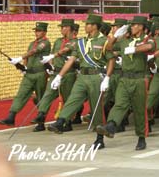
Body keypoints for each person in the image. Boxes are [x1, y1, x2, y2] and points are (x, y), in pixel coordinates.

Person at [48, 14, 114, 150]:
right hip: (82, 76)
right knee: (73, 99)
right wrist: (59, 76)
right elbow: (71, 59)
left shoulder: (104, 41)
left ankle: (99, 138)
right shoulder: (81, 42)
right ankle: (61, 121)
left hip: (96, 77)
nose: (85, 26)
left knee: (96, 108)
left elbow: (111, 59)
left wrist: (107, 77)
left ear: (95, 26)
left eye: (88, 24)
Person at [96, 16, 155, 151]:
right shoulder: (124, 41)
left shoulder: (146, 39)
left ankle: (141, 137)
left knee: (139, 110)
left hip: (139, 79)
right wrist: (116, 37)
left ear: (141, 26)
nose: (132, 27)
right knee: (120, 103)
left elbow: (150, 46)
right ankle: (111, 125)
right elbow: (108, 48)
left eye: (134, 25)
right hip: (124, 78)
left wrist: (135, 49)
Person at [0, 22, 51, 126]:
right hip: (29, 74)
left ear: (44, 32)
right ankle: (11, 117)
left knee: (40, 97)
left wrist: (19, 58)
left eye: (39, 31)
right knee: (21, 94)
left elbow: (34, 51)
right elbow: (28, 56)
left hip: (40, 73)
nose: (37, 33)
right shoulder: (32, 43)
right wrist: (23, 67)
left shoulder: (45, 43)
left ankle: (41, 122)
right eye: (36, 31)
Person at [31, 19, 77, 132]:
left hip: (68, 74)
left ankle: (67, 122)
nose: (61, 29)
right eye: (61, 27)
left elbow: (65, 50)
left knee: (67, 99)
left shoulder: (75, 41)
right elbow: (52, 55)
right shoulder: (57, 41)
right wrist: (50, 66)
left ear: (70, 28)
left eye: (63, 27)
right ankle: (41, 115)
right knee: (47, 95)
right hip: (55, 72)